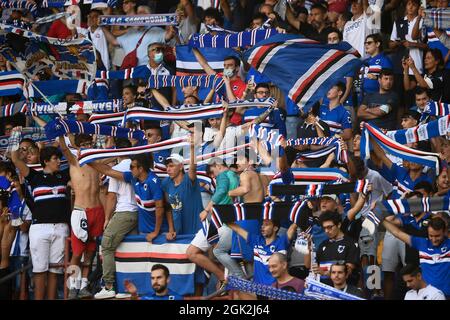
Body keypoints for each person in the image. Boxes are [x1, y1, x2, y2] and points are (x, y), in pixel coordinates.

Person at [11, 129, 70, 300]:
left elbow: (74, 161)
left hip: (60, 227)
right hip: (40, 228)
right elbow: (15, 159)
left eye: (59, 158)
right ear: (45, 161)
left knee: (55, 271)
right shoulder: (34, 176)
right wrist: (15, 135)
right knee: (39, 270)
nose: (59, 161)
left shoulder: (63, 175)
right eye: (55, 159)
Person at [58, 134, 105, 300]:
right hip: (81, 211)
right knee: (77, 253)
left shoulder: (96, 161)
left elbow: (114, 154)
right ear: (77, 146)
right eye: (83, 144)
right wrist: (60, 133)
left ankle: (84, 285)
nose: (87, 146)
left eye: (89, 143)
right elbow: (64, 148)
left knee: (90, 252)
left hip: (97, 210)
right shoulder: (74, 160)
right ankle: (72, 286)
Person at [88, 153, 175, 241]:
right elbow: (108, 171)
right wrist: (87, 161)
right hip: (144, 231)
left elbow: (161, 208)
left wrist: (156, 232)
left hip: (160, 232)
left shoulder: (154, 182)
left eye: (132, 167)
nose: (130, 169)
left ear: (140, 169)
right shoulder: (133, 178)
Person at [94, 139, 139, 300]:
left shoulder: (116, 169)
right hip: (138, 213)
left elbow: (111, 197)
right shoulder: (137, 166)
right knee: (129, 250)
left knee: (106, 246)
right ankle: (128, 287)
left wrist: (107, 218)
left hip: (124, 212)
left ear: (116, 151)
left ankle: (109, 286)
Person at [382, 216, 450, 298]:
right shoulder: (422, 243)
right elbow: (397, 232)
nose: (434, 239)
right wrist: (379, 217)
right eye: (431, 236)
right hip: (427, 296)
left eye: (437, 236)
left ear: (445, 232)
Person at [227, 218, 298, 287]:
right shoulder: (256, 240)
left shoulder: (281, 242)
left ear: (275, 228)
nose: (262, 227)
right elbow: (237, 229)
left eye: (266, 224)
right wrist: (218, 215)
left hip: (274, 290)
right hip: (258, 289)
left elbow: (293, 226)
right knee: (236, 293)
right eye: (262, 224)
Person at [310, 211, 360, 286]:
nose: (326, 231)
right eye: (324, 228)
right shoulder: (323, 245)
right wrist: (308, 248)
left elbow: (348, 271)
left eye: (329, 227)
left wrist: (325, 273)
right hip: (324, 291)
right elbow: (311, 267)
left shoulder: (351, 243)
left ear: (339, 225)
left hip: (343, 291)